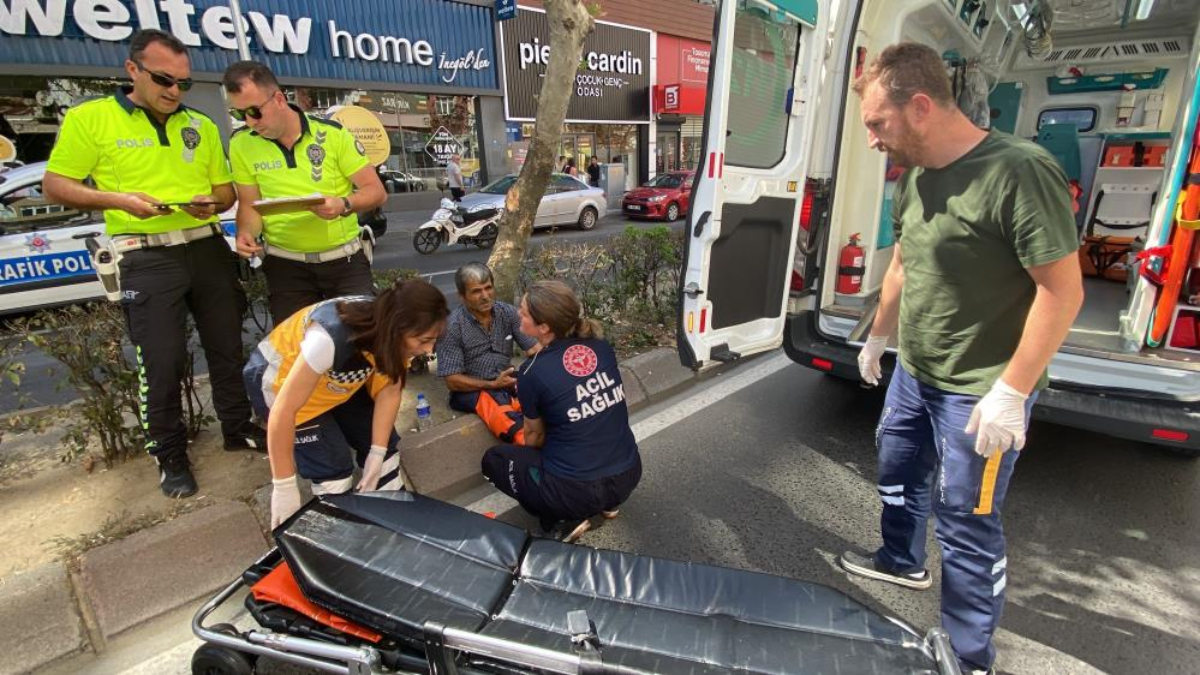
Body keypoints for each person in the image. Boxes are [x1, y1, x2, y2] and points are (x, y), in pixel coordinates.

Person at [839, 43, 1083, 675]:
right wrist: (878, 336)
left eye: (877, 123)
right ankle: (901, 561)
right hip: (915, 374)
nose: (872, 140)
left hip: (981, 389)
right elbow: (902, 263)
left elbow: (1063, 291)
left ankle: (970, 656)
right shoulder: (915, 176)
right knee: (896, 468)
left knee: (966, 521)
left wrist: (1012, 390)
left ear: (920, 107)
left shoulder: (1019, 172)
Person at [42, 29, 264, 499]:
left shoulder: (200, 125)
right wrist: (116, 198)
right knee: (161, 360)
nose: (173, 91)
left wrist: (213, 202)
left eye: (182, 82)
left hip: (205, 245)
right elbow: (56, 185)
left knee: (227, 347)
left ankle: (236, 427)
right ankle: (170, 455)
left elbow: (226, 191)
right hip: (144, 252)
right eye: (164, 79)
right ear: (133, 71)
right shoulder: (92, 119)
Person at [245, 279, 449, 528]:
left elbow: (390, 389)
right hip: (280, 382)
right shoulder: (329, 338)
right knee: (334, 467)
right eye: (423, 340)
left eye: (433, 340)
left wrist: (376, 452)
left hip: (337, 384)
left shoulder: (392, 334)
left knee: (386, 450)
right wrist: (283, 485)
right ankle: (339, 536)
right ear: (397, 329)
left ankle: (395, 523)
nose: (429, 349)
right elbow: (284, 410)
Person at [222, 61, 387, 326]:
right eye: (239, 113)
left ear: (278, 99)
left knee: (362, 344)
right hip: (285, 265)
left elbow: (376, 192)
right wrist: (246, 234)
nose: (251, 123)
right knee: (296, 350)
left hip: (343, 261)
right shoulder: (242, 143)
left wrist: (343, 204)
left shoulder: (332, 135)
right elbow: (250, 206)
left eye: (254, 111)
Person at [481, 280, 642, 542]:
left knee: (494, 460)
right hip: (628, 474)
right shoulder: (601, 347)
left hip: (573, 492)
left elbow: (534, 439)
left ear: (543, 326)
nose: (517, 314)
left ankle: (561, 519)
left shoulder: (532, 372)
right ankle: (609, 506)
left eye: (522, 311)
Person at [436, 263, 540, 443]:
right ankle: (529, 451)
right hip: (473, 390)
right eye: (476, 291)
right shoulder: (452, 327)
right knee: (504, 415)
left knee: (539, 401)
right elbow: (452, 381)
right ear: (462, 296)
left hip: (506, 380)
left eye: (488, 288)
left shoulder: (507, 312)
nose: (485, 296)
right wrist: (492, 384)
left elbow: (534, 349)